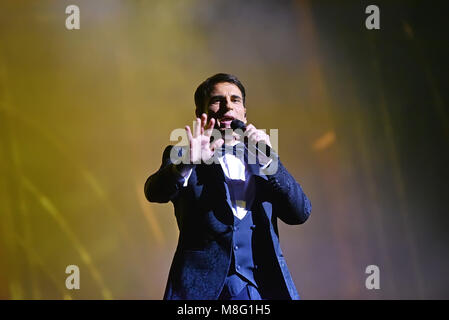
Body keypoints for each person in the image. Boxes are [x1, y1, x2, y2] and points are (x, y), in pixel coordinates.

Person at [144, 73, 311, 300]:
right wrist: (187, 163)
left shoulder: (262, 158)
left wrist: (271, 162)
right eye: (217, 100)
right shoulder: (183, 154)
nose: (227, 107)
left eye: (235, 100)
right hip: (201, 293)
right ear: (200, 112)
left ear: (244, 112)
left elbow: (300, 213)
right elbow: (154, 192)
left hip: (262, 289)